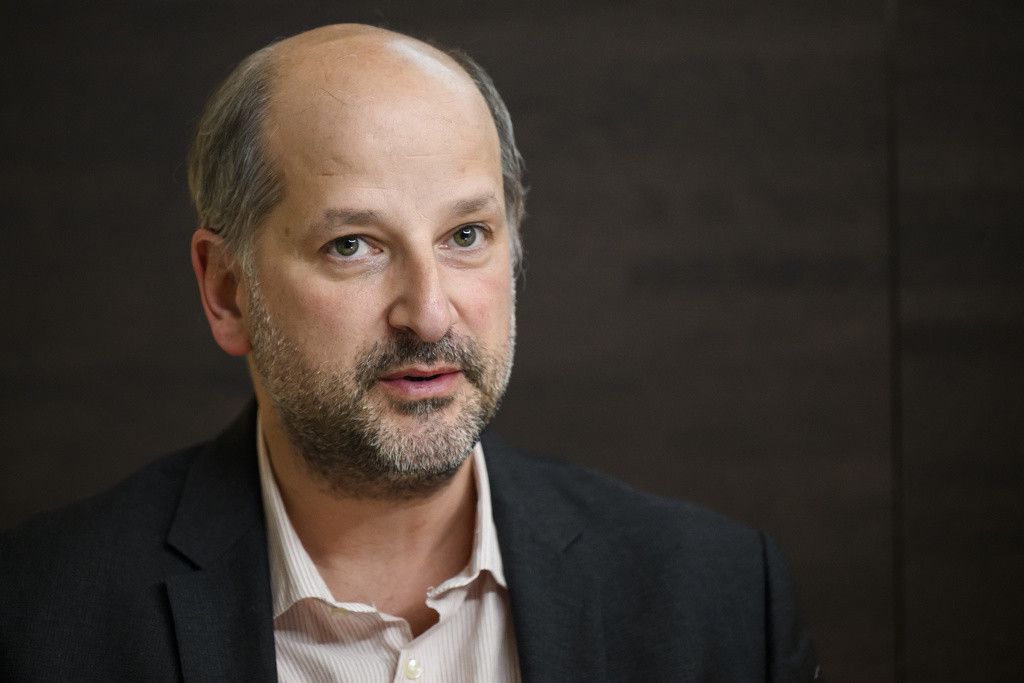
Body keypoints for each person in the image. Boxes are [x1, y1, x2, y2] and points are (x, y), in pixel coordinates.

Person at [0, 24, 820, 682]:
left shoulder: (717, 601)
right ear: (226, 290)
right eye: (353, 244)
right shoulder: (36, 621)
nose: (429, 313)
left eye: (466, 235)